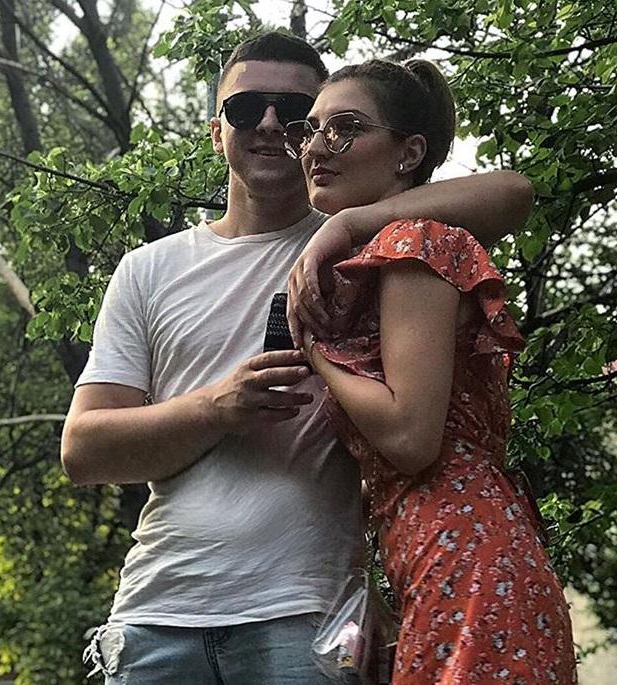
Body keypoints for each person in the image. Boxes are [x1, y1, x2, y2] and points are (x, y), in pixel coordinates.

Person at [61, 31, 535, 684]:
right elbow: (83, 450)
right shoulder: (147, 270)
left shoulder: (369, 249)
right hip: (155, 613)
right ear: (215, 131)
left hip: (307, 615)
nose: (267, 124)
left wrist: (343, 226)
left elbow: (513, 192)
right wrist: (214, 408)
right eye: (243, 107)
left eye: (292, 114)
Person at [287, 58, 578, 684]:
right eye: (310, 130)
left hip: (467, 564)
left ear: (409, 152)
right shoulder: (382, 253)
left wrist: (315, 352)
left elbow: (410, 437)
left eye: (345, 127)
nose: (317, 147)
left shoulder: (415, 243)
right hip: (446, 563)